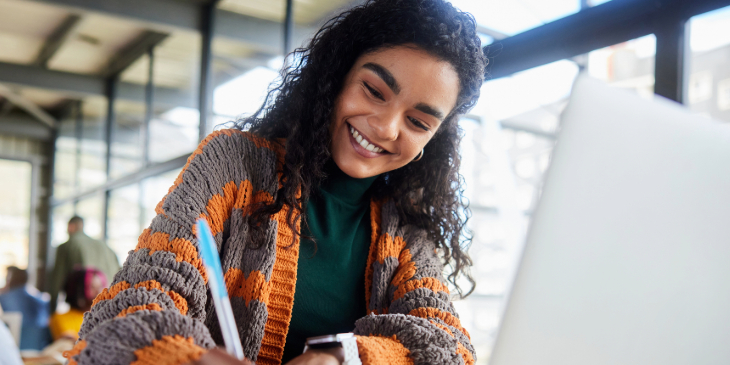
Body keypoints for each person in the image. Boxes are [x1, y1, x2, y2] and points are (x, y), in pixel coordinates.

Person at [67, 0, 486, 364]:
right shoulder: (233, 167)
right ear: (337, 76)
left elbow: (450, 351)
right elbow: (127, 311)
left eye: (417, 121)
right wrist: (195, 359)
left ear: (434, 138)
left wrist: (345, 355)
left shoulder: (405, 229)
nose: (385, 127)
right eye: (374, 90)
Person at [48, 216, 120, 312]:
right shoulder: (104, 246)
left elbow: (57, 279)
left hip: (83, 307)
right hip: (110, 305)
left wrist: (51, 309)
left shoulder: (67, 246)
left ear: (71, 227)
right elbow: (120, 271)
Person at [0, 267, 51, 350]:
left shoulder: (5, 298)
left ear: (11, 278)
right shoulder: (40, 298)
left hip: (14, 345)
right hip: (38, 346)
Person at [49, 268, 106, 341]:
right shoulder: (60, 319)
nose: (100, 292)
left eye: (101, 287)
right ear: (78, 291)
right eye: (92, 287)